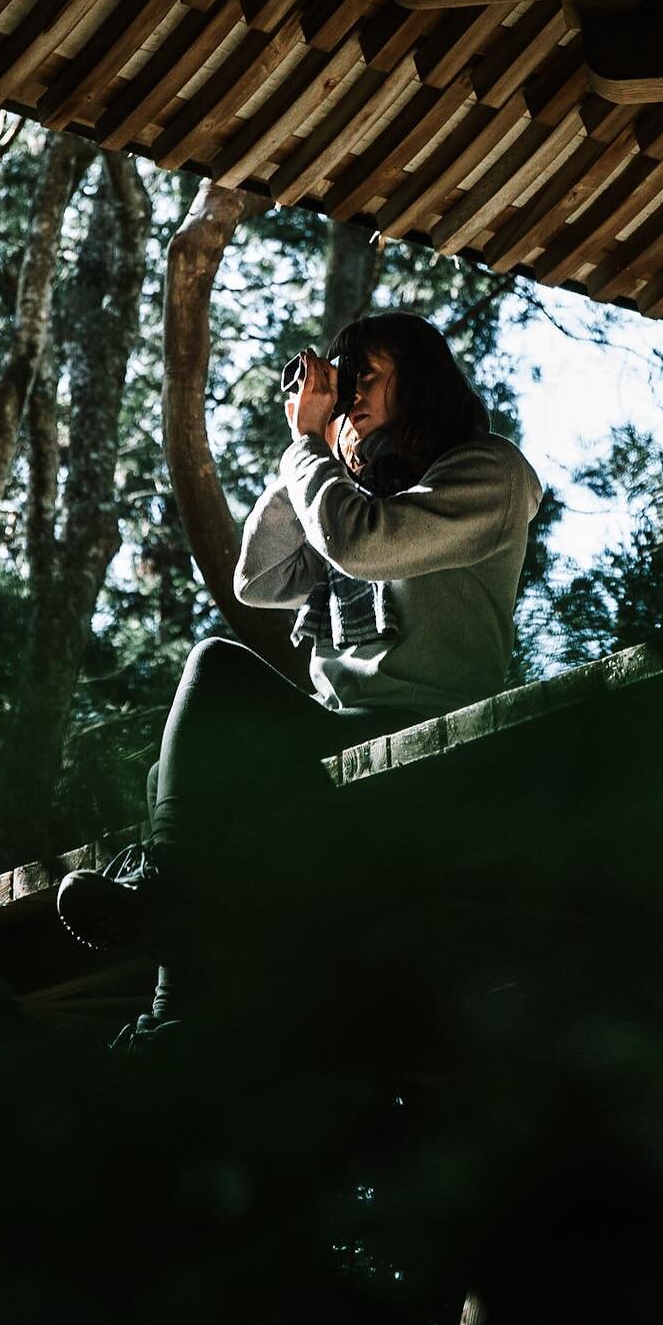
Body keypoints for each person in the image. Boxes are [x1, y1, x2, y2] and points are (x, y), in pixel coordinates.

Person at [55, 311, 544, 1030]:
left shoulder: (489, 473)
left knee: (216, 667)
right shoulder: (358, 491)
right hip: (336, 741)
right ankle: (176, 1004)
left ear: (425, 381)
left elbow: (364, 546)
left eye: (368, 378)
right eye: (345, 386)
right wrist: (314, 453)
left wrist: (305, 451)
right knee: (174, 778)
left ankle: (164, 904)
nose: (351, 397)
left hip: (432, 741)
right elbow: (259, 574)